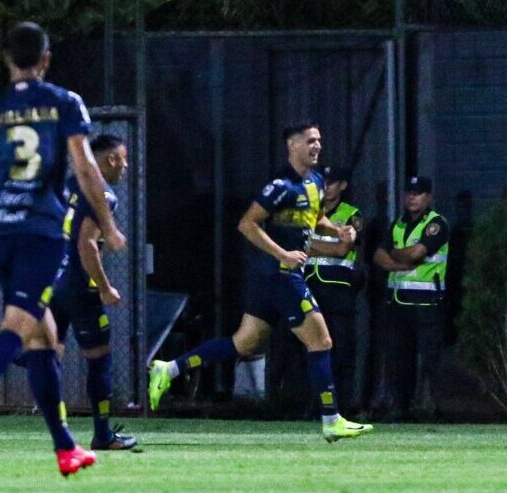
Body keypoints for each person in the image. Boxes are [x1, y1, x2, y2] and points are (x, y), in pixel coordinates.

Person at [0, 22, 127, 476]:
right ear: (46, 59)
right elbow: (86, 168)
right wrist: (108, 224)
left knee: (44, 337)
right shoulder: (62, 103)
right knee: (19, 325)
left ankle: (66, 447)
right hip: (40, 234)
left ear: (6, 59)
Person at [148, 121, 374, 442]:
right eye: (311, 141)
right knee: (321, 342)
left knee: (244, 343)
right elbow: (247, 225)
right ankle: (331, 419)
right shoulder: (279, 186)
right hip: (278, 275)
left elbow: (312, 219)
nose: (317, 146)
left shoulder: (316, 181)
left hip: (272, 278)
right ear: (292, 145)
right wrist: (282, 253)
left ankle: (168, 369)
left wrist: (336, 231)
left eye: (319, 140)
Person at [50, 134, 137, 451]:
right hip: (79, 288)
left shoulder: (71, 183)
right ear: (111, 159)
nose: (126, 166)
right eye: (123, 159)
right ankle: (103, 435)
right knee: (99, 361)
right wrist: (104, 287)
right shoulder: (103, 194)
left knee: (47, 357)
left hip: (54, 280)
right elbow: (87, 244)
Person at [373, 176, 449, 420]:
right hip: (398, 303)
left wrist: (394, 254)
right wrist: (398, 262)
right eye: (409, 193)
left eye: (418, 193)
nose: (412, 198)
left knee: (430, 360)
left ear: (429, 197)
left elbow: (417, 253)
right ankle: (400, 408)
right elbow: (377, 257)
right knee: (398, 359)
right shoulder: (397, 224)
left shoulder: (436, 224)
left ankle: (434, 409)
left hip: (427, 304)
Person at [303, 165, 364, 415]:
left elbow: (342, 250)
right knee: (311, 348)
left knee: (340, 351)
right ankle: (312, 406)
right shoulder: (307, 212)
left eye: (332, 182)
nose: (326, 187)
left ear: (343, 186)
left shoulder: (352, 214)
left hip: (338, 292)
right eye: (324, 181)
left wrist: (309, 246)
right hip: (309, 287)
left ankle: (342, 407)